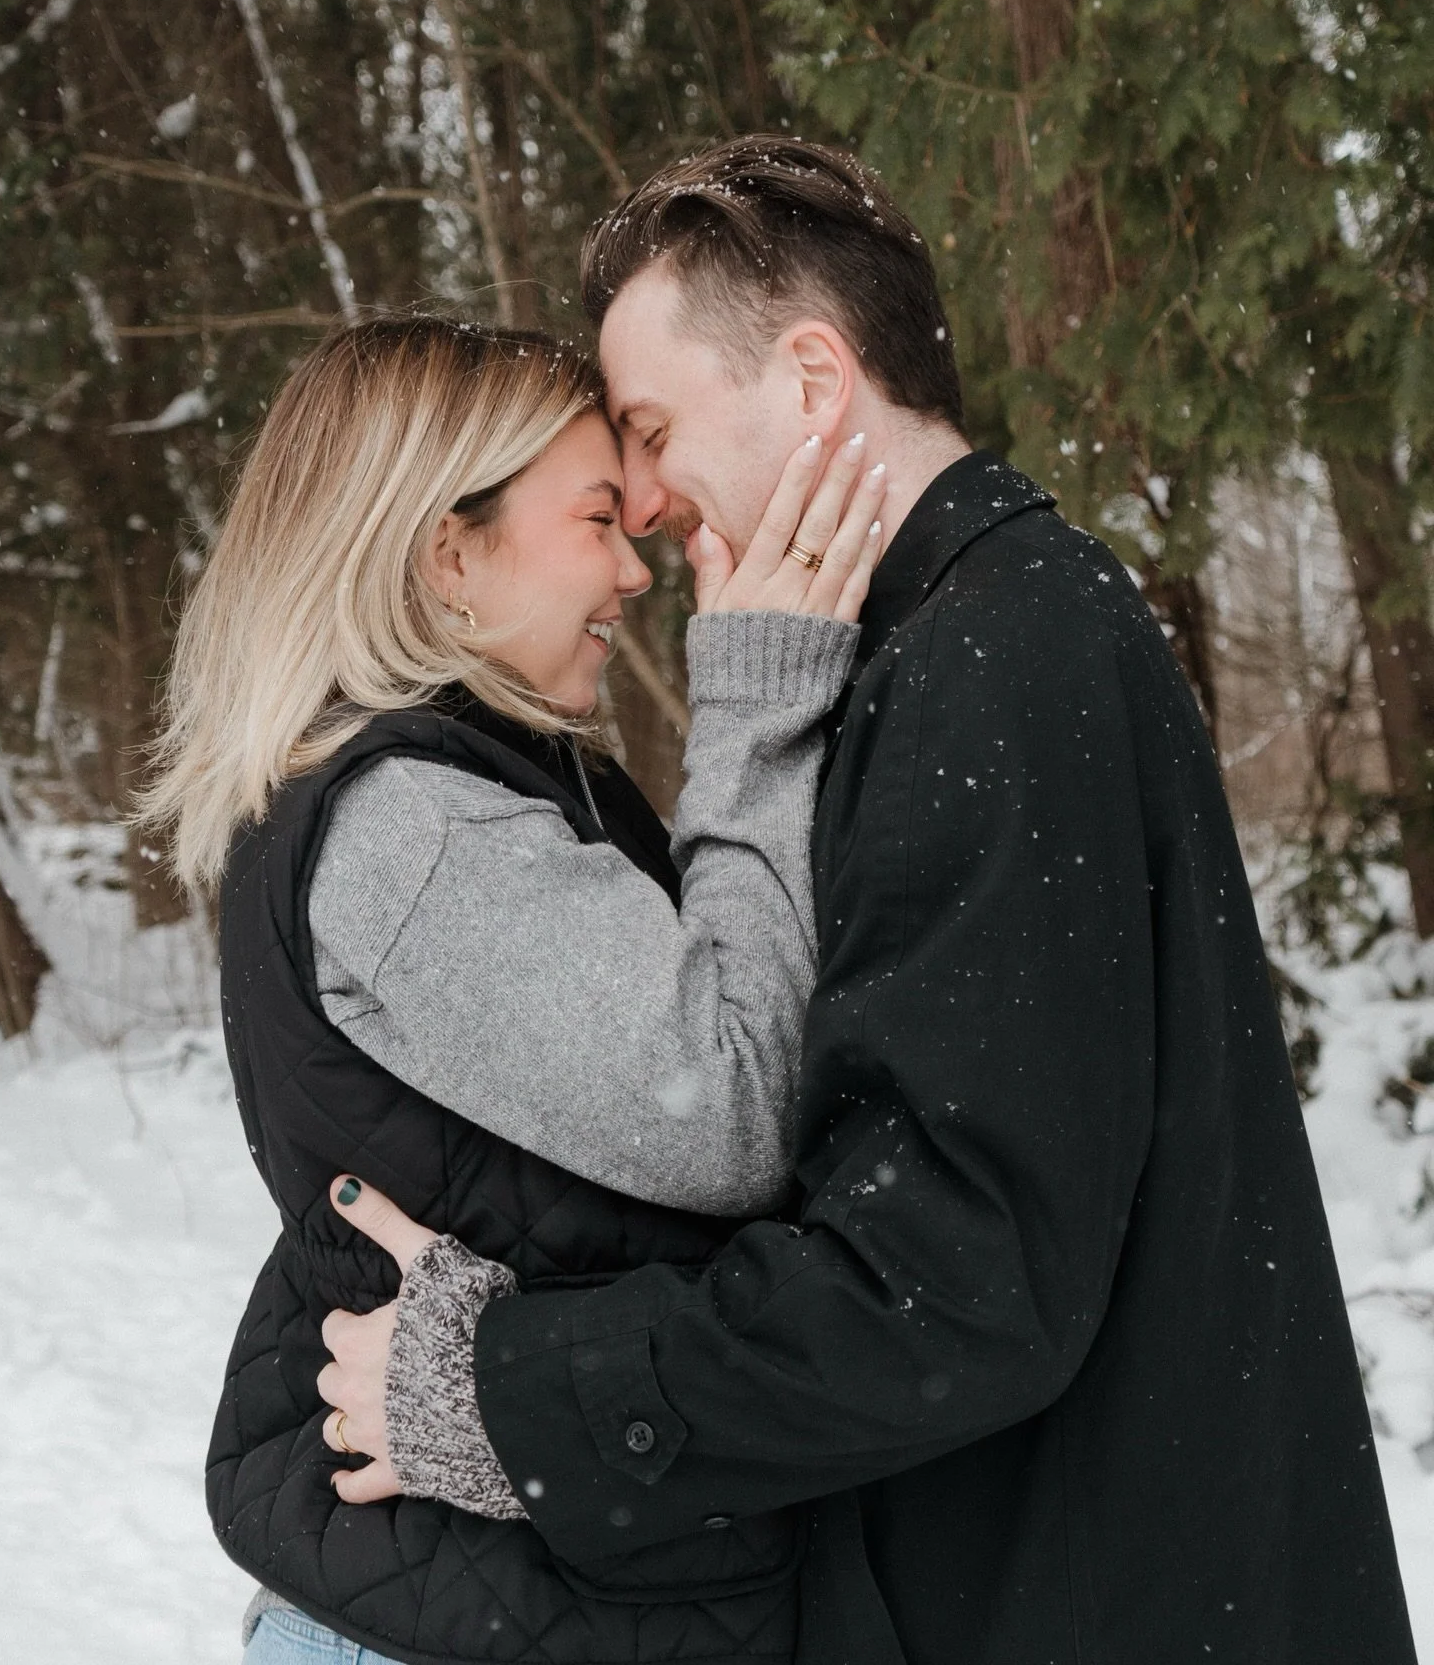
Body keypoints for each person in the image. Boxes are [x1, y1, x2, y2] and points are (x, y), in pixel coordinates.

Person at [319, 141, 1418, 1665]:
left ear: (817, 379)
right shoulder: (980, 637)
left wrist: (511, 1389)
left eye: (649, 430)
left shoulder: (990, 664)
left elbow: (950, 1283)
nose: (635, 503)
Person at [140, 313, 887, 1664]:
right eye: (598, 519)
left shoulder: (466, 791)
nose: (633, 568)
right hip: (470, 1623)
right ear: (448, 556)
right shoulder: (420, 827)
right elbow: (729, 1104)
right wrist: (761, 696)